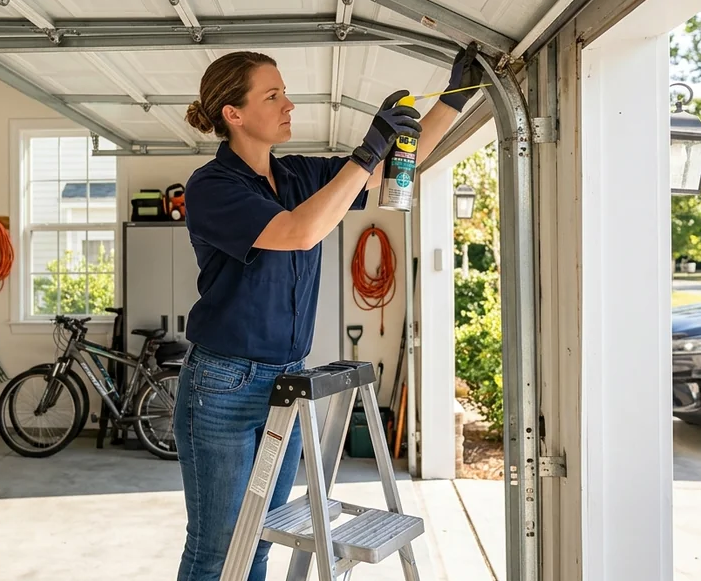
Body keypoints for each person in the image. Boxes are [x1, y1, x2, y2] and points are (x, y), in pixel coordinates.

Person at [174, 45, 483, 581]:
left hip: (286, 382)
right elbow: (299, 232)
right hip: (222, 386)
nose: (289, 104)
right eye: (273, 95)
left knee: (262, 537)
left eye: (285, 92)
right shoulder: (211, 187)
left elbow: (394, 166)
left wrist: (455, 97)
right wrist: (363, 155)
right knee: (219, 549)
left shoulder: (297, 176)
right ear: (234, 114)